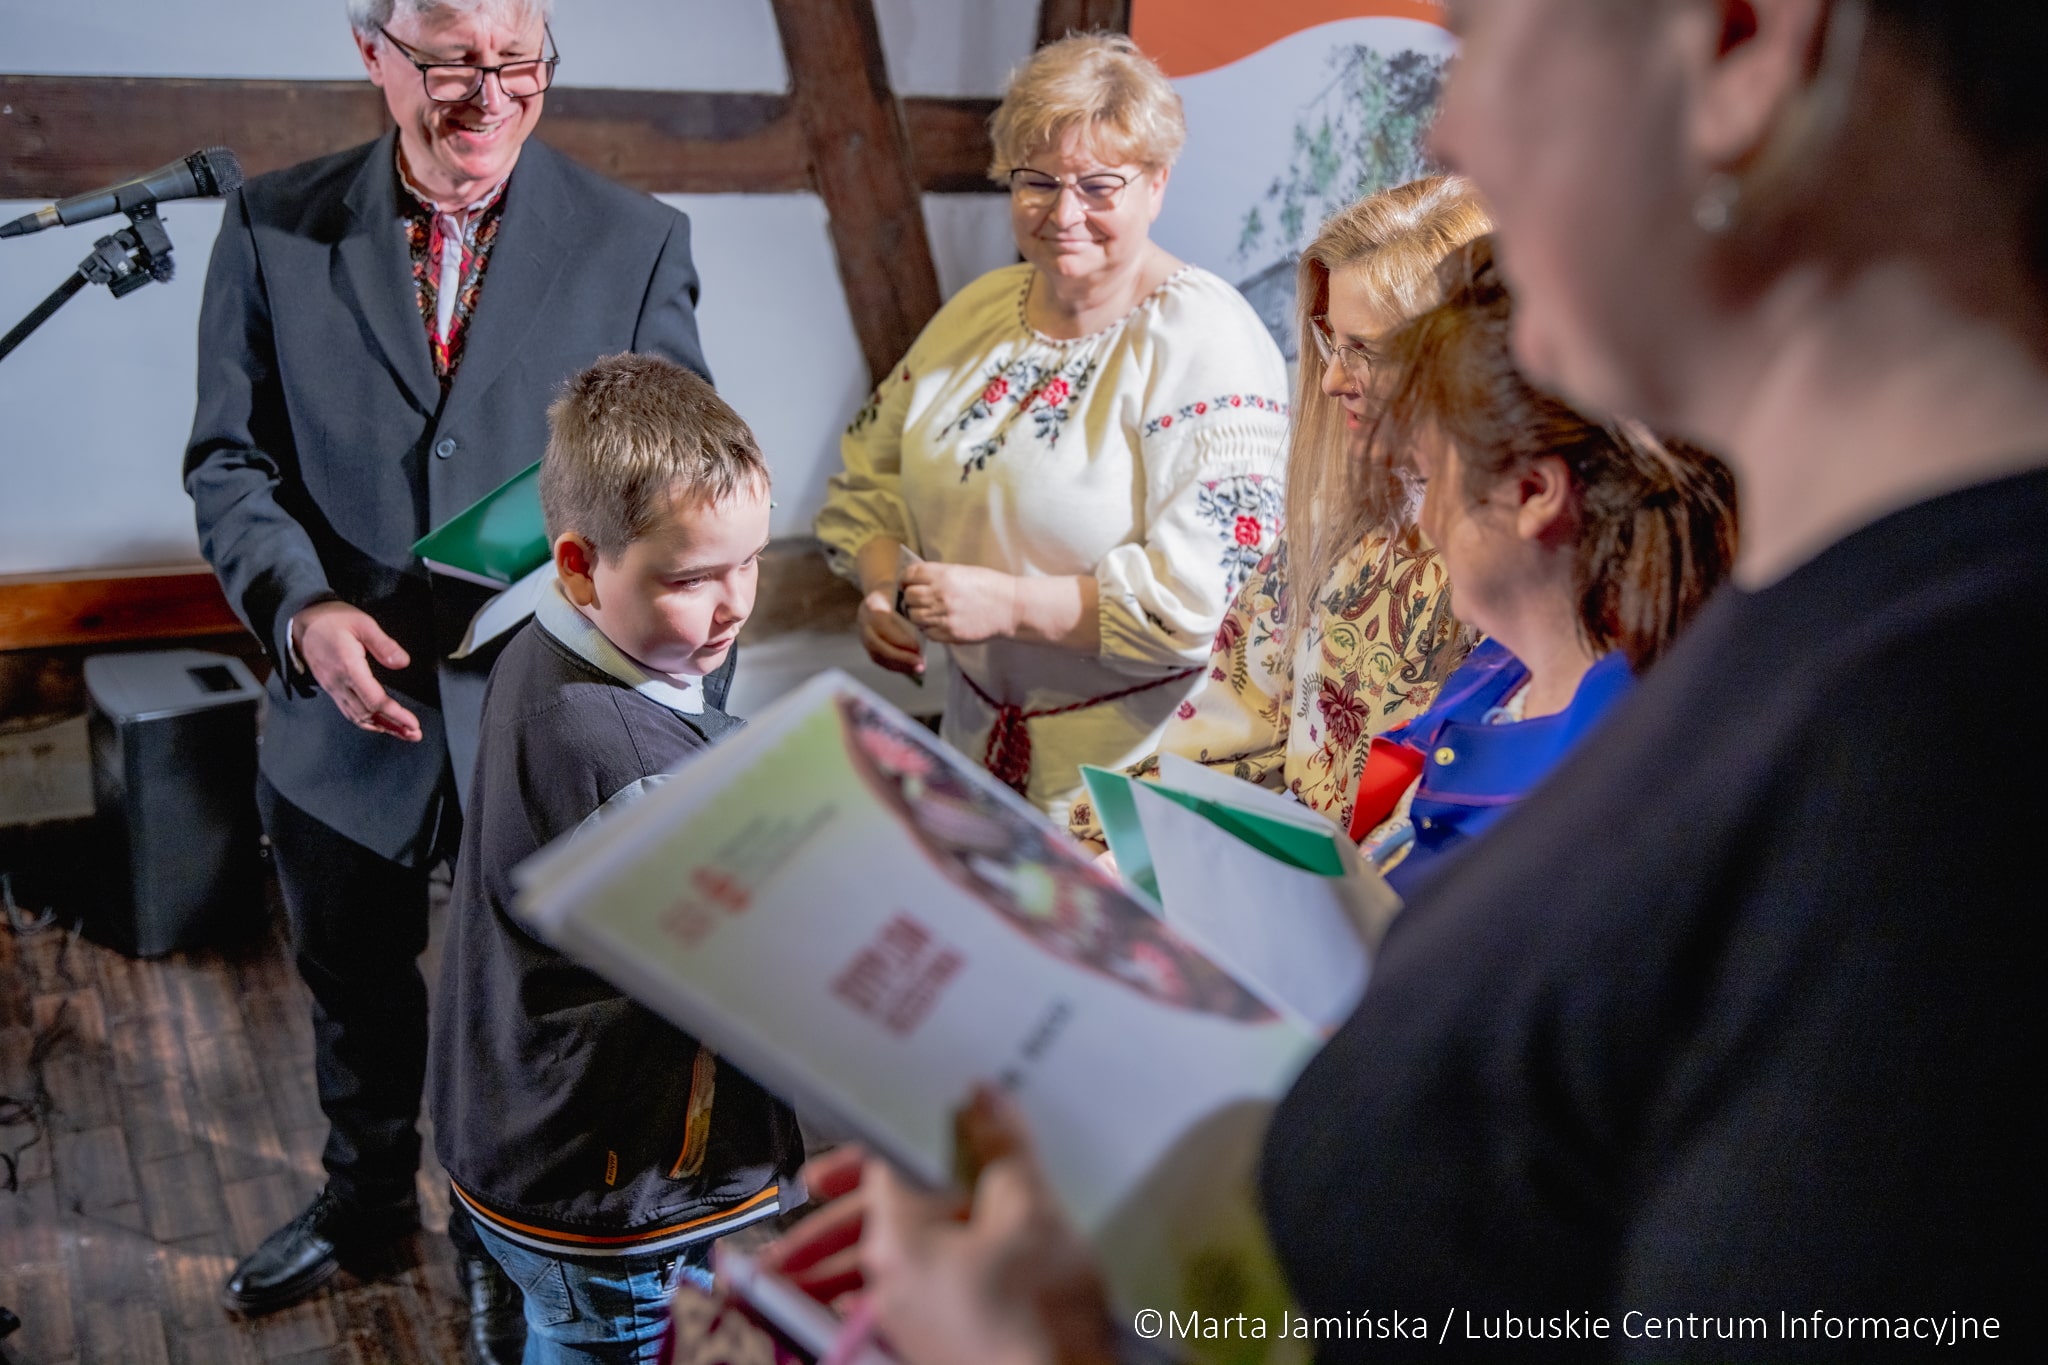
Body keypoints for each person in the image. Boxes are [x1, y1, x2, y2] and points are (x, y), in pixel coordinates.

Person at [766, 0, 2048, 1357]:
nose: (1452, 131)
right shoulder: (1832, 663)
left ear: (1744, 43)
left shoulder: (1935, 765)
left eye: (1489, 37)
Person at [184, 0, 712, 1348]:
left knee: (527, 1018)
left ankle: (499, 1237)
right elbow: (231, 463)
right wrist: (298, 608)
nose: (488, 95)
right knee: (353, 989)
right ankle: (365, 1204)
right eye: (449, 63)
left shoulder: (640, 241)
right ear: (373, 53)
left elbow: (677, 487)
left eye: (516, 62)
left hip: (549, 719)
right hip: (336, 706)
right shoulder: (268, 227)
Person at [428, 353, 802, 1363]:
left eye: (751, 560)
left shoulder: (540, 635)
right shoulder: (622, 760)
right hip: (612, 1187)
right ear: (579, 563)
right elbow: (761, 973)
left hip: (522, 1121)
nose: (735, 604)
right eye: (691, 578)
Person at [815, 33, 1290, 822]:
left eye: (1099, 186)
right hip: (977, 750)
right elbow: (872, 477)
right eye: (1037, 181)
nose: (1065, 213)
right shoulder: (978, 311)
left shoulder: (1203, 340)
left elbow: (1208, 601)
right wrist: (882, 588)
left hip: (1144, 780)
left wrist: (1010, 605)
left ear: (1156, 184)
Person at [1069, 176, 1490, 849]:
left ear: (1466, 360)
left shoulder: (1524, 561)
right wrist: (1112, 840)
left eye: (1366, 352)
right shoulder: (1338, 525)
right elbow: (1229, 733)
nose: (1331, 380)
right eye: (1331, 342)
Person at [1336, 237, 1736, 896]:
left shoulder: (1609, 779)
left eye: (1431, 478)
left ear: (1532, 493)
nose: (1426, 518)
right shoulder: (1500, 669)